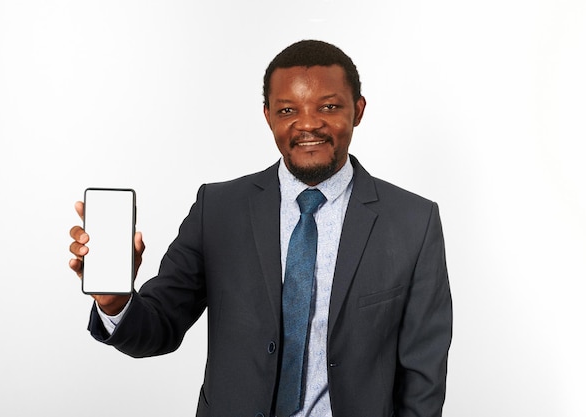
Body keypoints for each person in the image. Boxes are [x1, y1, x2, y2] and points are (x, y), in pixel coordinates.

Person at [69, 40, 452, 417]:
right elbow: (159, 327)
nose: (308, 124)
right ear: (268, 115)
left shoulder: (413, 222)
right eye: (288, 110)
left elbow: (423, 375)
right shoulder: (217, 209)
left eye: (329, 106)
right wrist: (114, 301)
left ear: (358, 110)